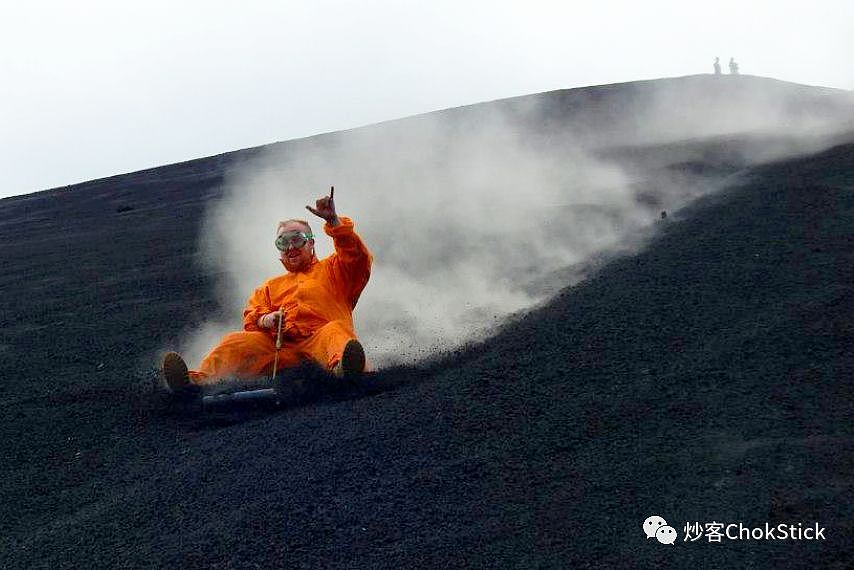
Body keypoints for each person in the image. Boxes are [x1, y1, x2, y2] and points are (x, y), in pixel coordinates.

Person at [161, 187, 373, 392]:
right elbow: (251, 319)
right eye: (283, 242)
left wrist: (334, 222)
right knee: (235, 341)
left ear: (311, 244)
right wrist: (266, 320)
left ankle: (344, 370)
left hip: (320, 344)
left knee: (335, 330)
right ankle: (193, 383)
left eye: (297, 240)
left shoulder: (335, 270)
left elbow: (357, 258)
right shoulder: (270, 287)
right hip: (280, 350)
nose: (290, 247)